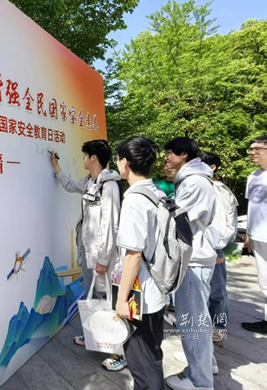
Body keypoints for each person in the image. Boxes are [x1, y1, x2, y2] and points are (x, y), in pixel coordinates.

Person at [50, 140, 125, 371]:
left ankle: (118, 351)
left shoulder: (109, 186)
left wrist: (103, 259)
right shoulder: (90, 182)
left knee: (107, 299)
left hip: (102, 255)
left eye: (85, 155)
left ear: (93, 158)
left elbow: (111, 225)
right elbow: (70, 185)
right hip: (87, 250)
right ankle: (95, 335)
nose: (83, 159)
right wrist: (56, 166)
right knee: (93, 296)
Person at [163, 137, 218, 390]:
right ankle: (205, 364)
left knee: (192, 318)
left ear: (183, 155)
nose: (166, 158)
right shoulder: (195, 179)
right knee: (198, 317)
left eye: (169, 153)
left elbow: (178, 220)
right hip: (196, 257)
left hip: (193, 259)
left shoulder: (194, 182)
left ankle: (199, 380)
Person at [114, 136, 168, 390]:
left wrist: (121, 298)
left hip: (141, 295)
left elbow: (133, 255)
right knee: (152, 353)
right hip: (158, 287)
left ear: (125, 162)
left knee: (142, 361)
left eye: (117, 159)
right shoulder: (157, 192)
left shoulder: (134, 200)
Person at [201, 151, 238, 344]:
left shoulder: (220, 191)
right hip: (199, 246)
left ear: (212, 167)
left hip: (213, 247)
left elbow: (226, 225)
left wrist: (216, 246)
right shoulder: (198, 186)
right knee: (201, 292)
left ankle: (218, 328)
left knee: (216, 291)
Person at [241, 135, 267, 335]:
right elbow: (252, 207)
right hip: (258, 236)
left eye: (257, 149)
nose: (252, 152)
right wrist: (248, 235)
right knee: (264, 281)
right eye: (250, 149)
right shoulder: (254, 176)